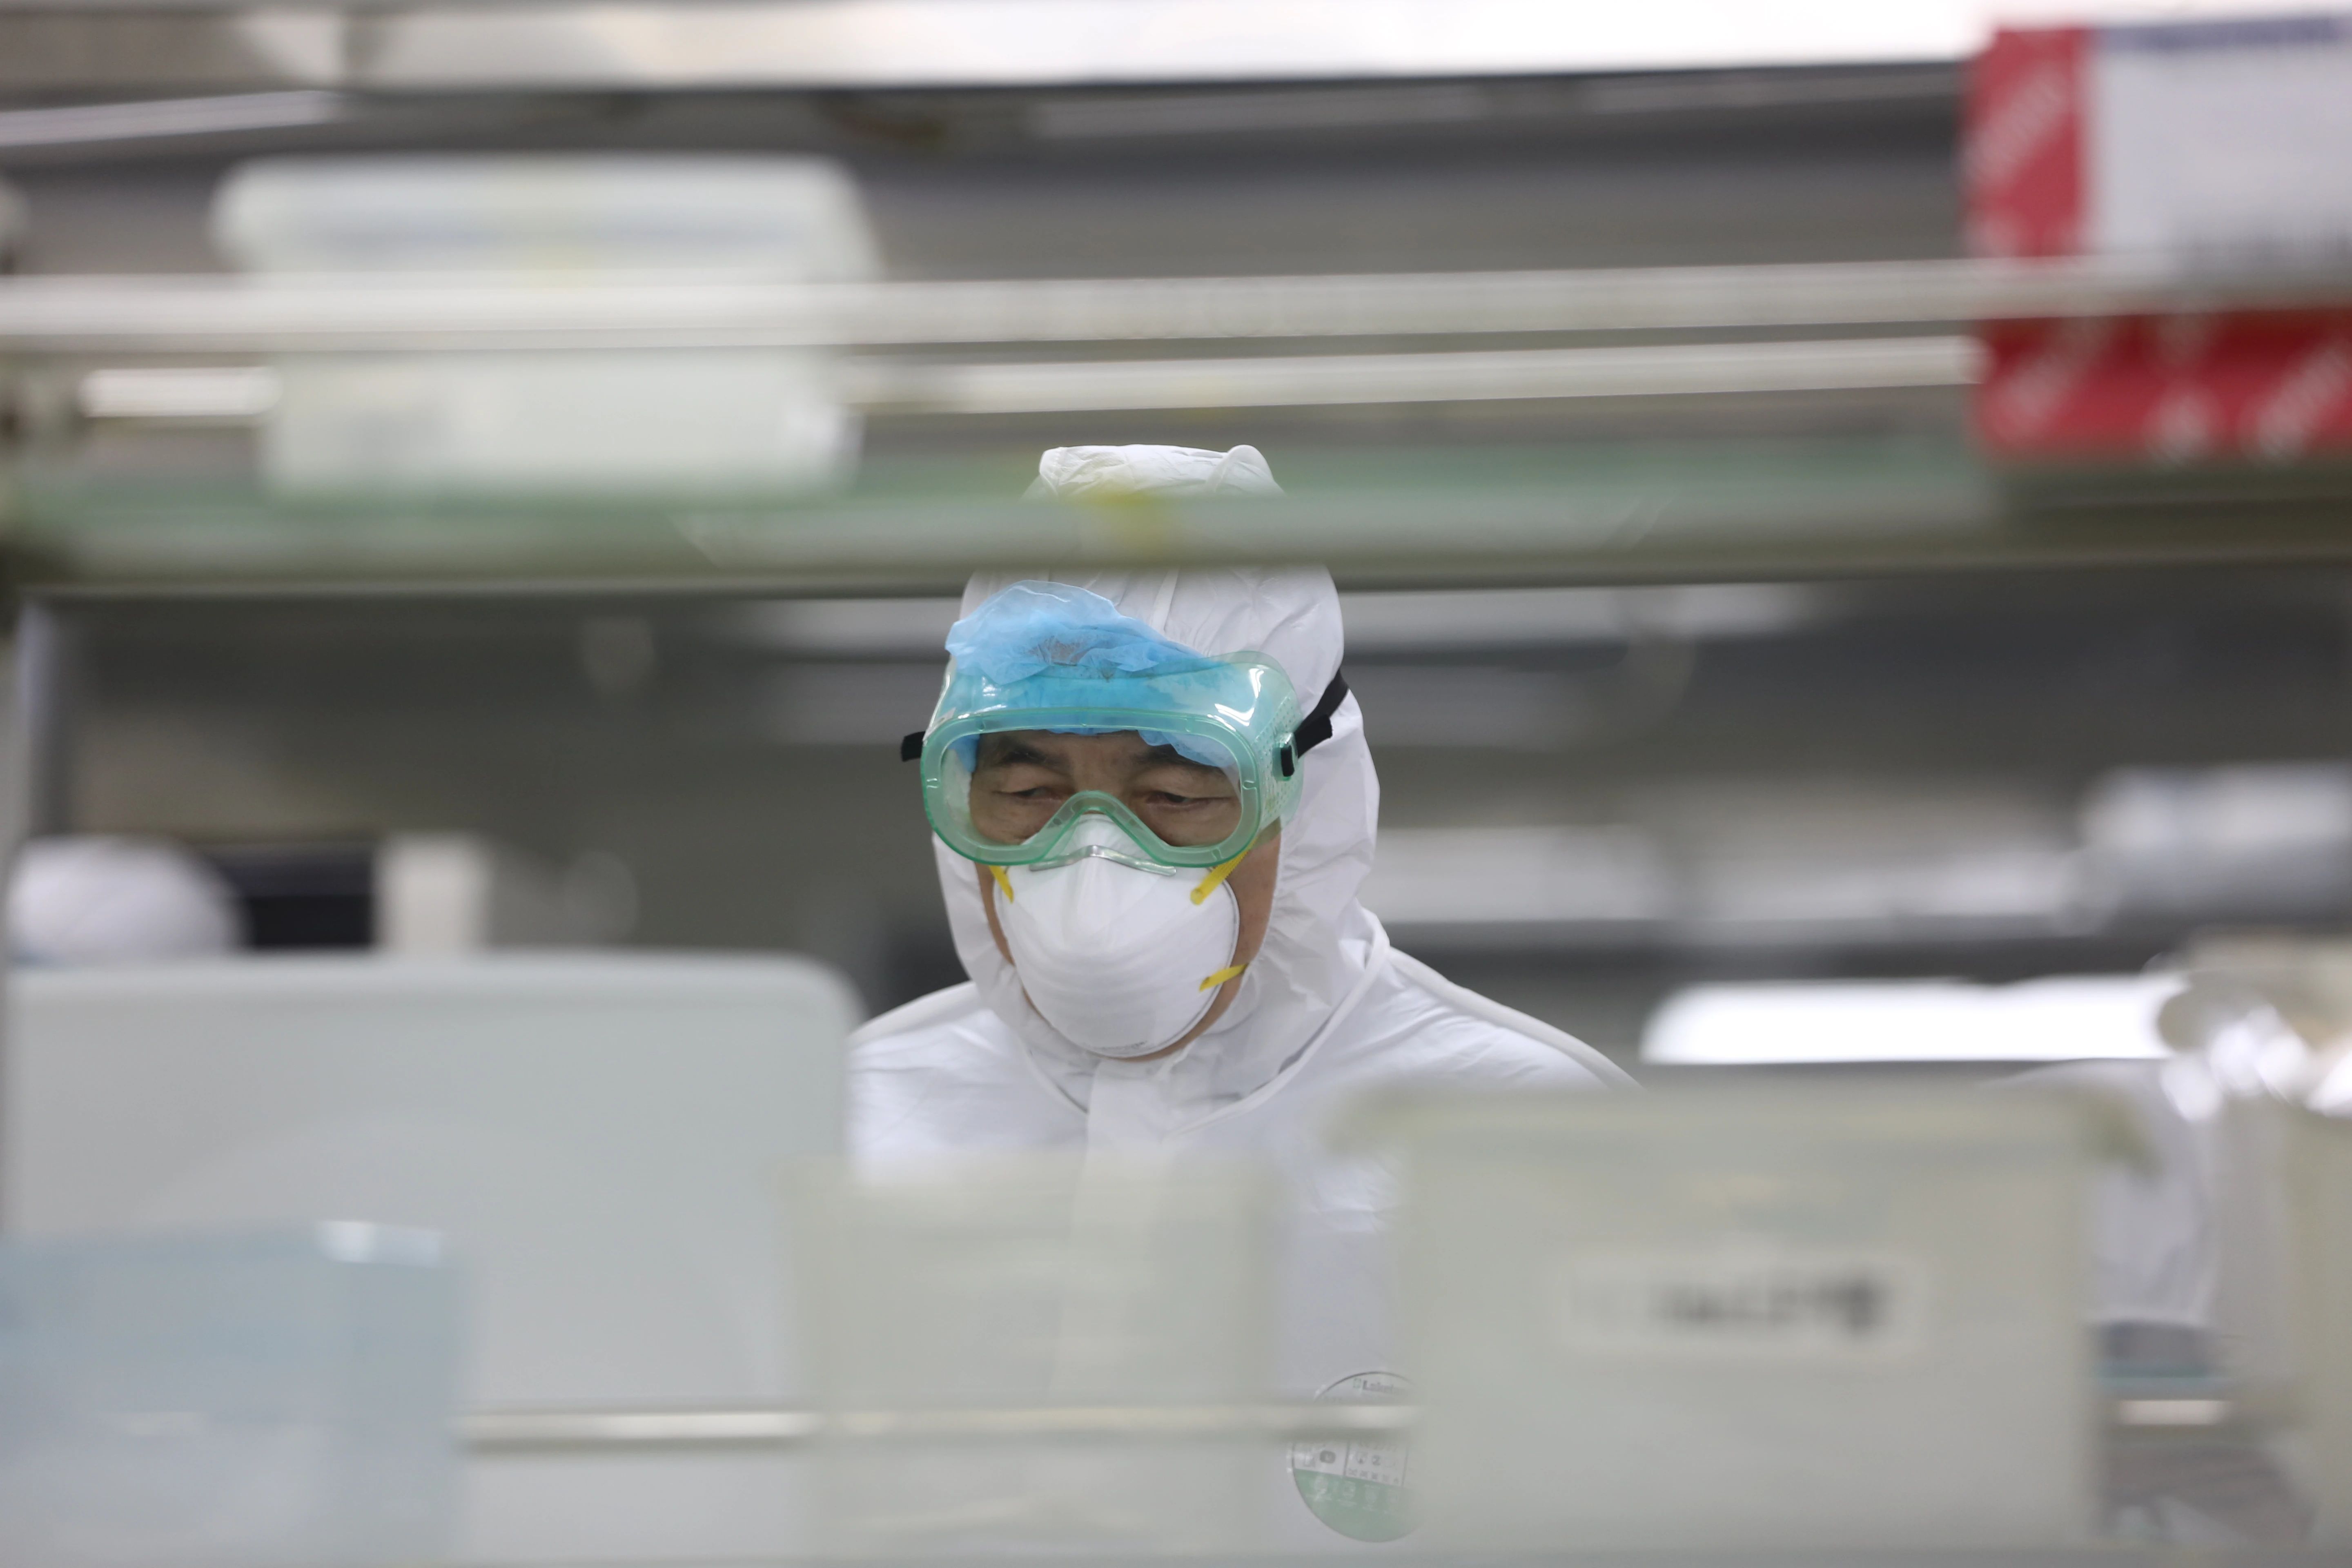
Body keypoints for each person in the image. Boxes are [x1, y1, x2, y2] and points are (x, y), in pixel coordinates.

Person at [846, 443, 1628, 1537]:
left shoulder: (1525, 1135)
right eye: (1025, 790)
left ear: (1308, 788)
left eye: (1176, 794)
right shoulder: (849, 1122)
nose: (1094, 864)